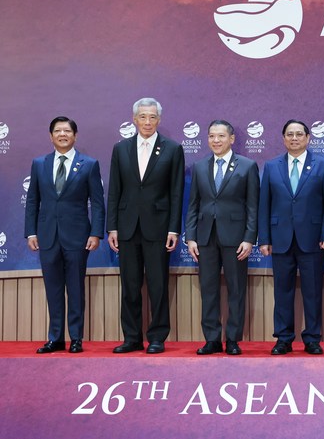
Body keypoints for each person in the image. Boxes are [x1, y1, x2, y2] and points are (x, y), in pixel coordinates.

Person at [107, 98, 185, 354]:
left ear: (159, 120)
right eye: (143, 117)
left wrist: (174, 229)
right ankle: (131, 337)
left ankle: (157, 337)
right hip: (127, 227)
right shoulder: (121, 149)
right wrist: (112, 228)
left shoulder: (173, 149)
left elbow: (176, 192)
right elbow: (115, 191)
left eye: (152, 117)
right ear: (134, 119)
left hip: (159, 228)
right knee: (129, 285)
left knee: (158, 285)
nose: (148, 122)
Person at [24, 117, 105, 354]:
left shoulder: (89, 164)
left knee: (76, 287)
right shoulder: (39, 164)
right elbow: (32, 201)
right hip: (47, 235)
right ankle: (55, 338)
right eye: (57, 131)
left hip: (78, 236)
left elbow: (98, 203)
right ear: (51, 136)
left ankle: (76, 338)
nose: (62, 134)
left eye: (67, 131)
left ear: (75, 135)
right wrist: (31, 231)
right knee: (53, 288)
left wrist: (96, 233)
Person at [259, 120, 324, 355]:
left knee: (312, 291)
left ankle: (312, 338)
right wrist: (264, 239)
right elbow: (265, 205)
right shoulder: (272, 167)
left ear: (308, 138)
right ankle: (283, 338)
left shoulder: (322, 165)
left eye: (299, 134)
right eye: (289, 134)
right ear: (283, 139)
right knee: (282, 291)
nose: (294, 138)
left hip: (313, 239)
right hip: (280, 238)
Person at [185, 120, 259, 356]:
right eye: (211, 136)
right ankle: (212, 339)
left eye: (220, 136)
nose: (216, 141)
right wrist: (191, 236)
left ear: (231, 139)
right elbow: (194, 204)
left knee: (236, 289)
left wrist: (249, 238)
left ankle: (234, 339)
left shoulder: (247, 166)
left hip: (236, 238)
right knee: (208, 289)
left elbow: (252, 206)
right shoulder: (199, 166)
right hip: (205, 238)